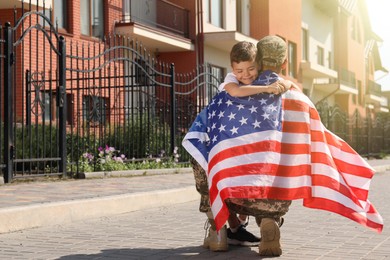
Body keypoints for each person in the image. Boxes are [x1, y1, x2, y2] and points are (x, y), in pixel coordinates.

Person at [190, 40, 294, 252]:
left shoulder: (220, 102)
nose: (245, 74)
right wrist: (280, 86)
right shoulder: (265, 89)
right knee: (269, 167)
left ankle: (217, 228)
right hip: (259, 173)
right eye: (240, 70)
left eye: (250, 69)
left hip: (220, 163)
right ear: (284, 63)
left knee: (214, 173)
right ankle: (268, 220)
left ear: (259, 63)